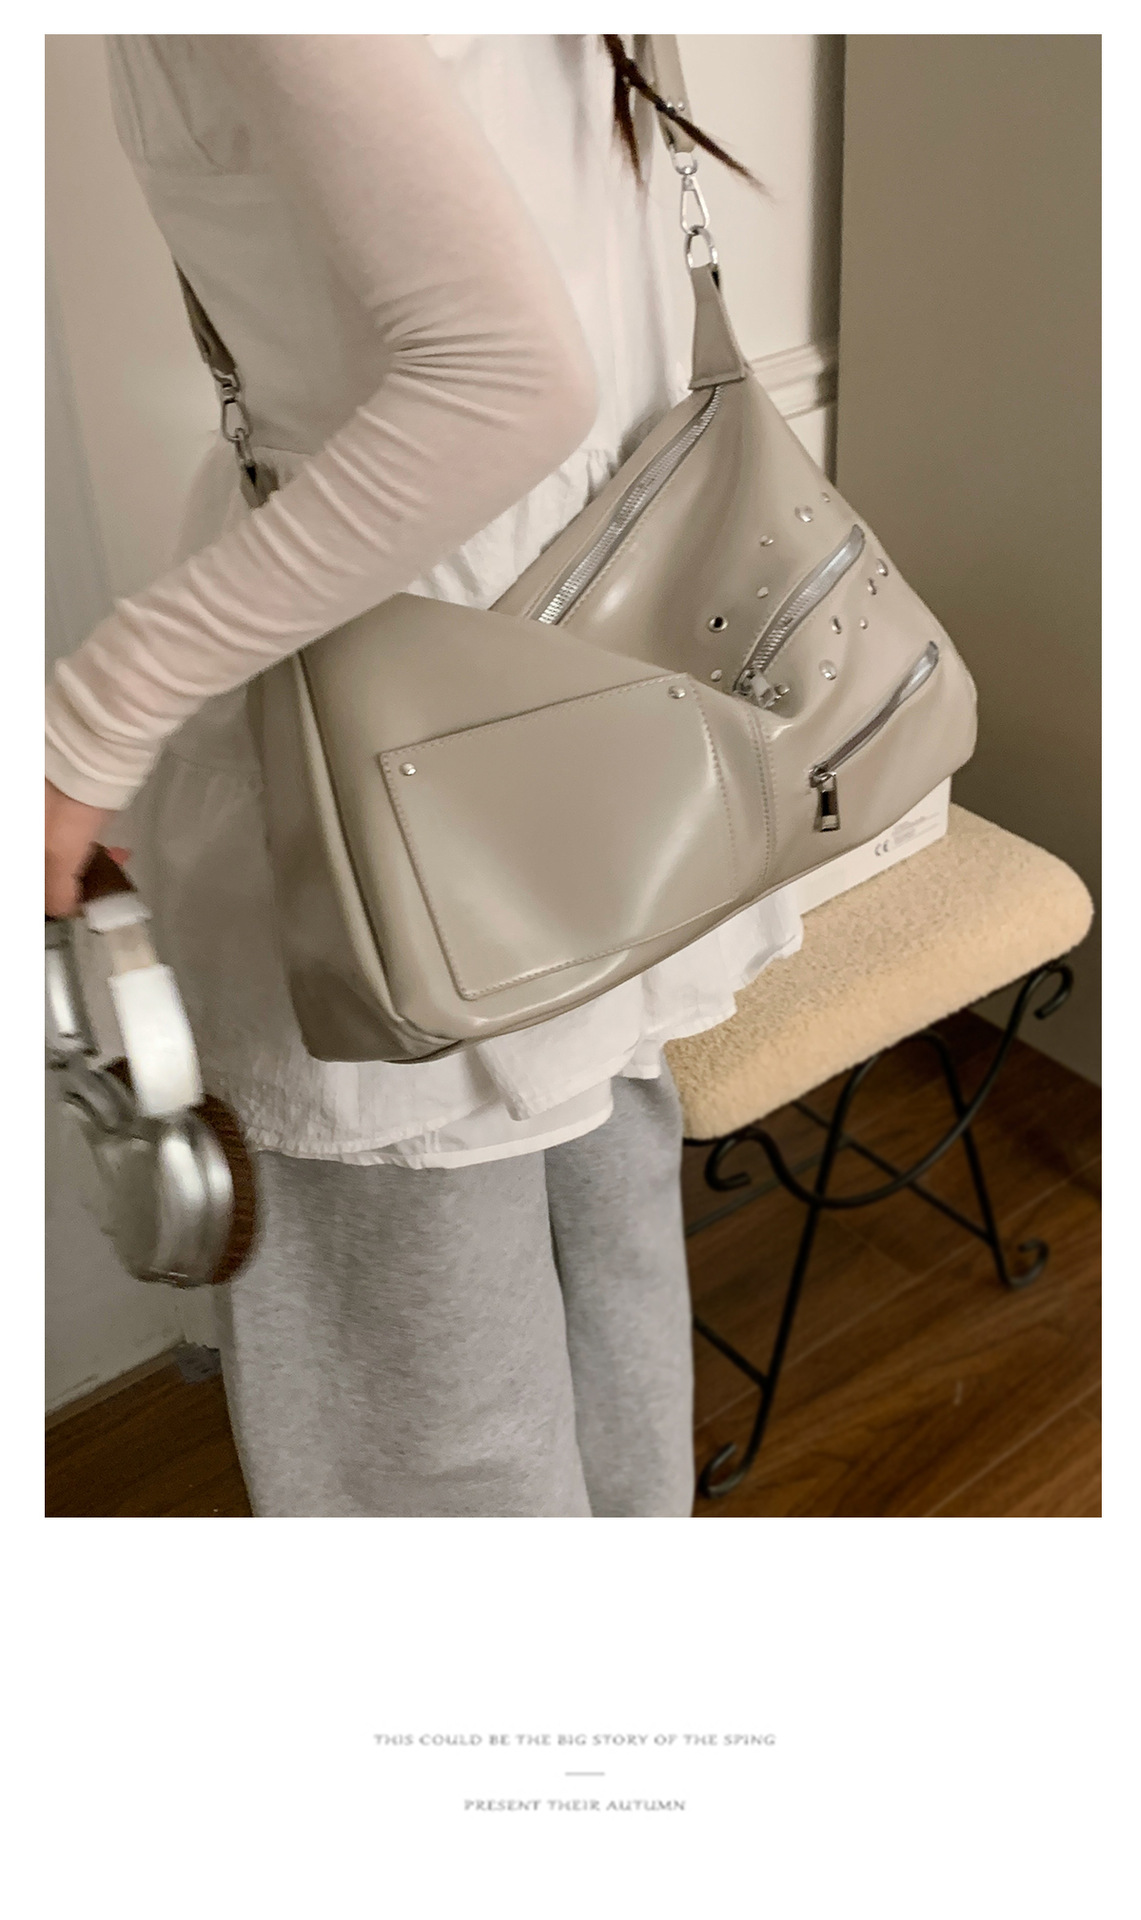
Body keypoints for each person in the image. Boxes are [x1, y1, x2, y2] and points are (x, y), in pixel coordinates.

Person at [44, 35, 803, 1518]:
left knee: (429, 1447)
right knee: (606, 1297)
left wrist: (82, 733)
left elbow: (506, 382)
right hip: (616, 723)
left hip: (388, 785)